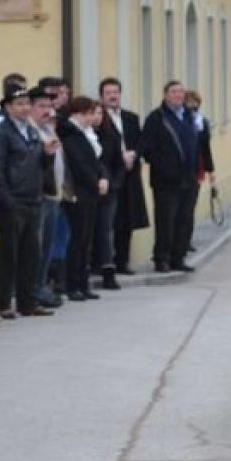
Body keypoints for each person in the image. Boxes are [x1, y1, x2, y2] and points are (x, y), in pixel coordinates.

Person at [0, 86, 54, 316]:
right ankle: (4, 303)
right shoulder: (2, 131)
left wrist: (48, 155)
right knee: (9, 253)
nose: (25, 108)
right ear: (8, 107)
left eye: (27, 103)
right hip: (13, 199)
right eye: (19, 104)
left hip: (33, 198)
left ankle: (28, 301)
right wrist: (5, 198)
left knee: (31, 253)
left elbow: (40, 165)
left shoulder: (32, 130)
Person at [141, 81, 199, 274]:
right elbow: (147, 149)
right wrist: (165, 168)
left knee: (185, 219)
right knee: (166, 221)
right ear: (165, 95)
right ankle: (162, 259)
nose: (178, 95)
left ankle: (178, 257)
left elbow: (197, 144)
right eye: (173, 92)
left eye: (181, 92)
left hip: (189, 178)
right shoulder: (156, 118)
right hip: (166, 181)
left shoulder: (190, 116)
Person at [99, 78, 149, 275]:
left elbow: (141, 142)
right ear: (102, 97)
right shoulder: (98, 118)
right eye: (108, 93)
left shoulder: (131, 118)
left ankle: (122, 261)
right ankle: (102, 262)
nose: (113, 96)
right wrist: (120, 157)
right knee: (106, 220)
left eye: (116, 92)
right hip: (109, 174)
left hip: (130, 174)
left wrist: (134, 154)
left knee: (127, 219)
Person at [58, 97, 106, 300]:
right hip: (78, 192)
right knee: (78, 240)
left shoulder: (84, 133)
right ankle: (73, 285)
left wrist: (103, 177)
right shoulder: (70, 133)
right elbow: (79, 164)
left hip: (90, 192)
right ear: (78, 114)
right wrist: (96, 181)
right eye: (89, 114)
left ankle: (83, 284)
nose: (92, 118)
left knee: (86, 240)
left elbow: (95, 160)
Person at [31, 88, 67, 308]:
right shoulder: (32, 131)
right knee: (37, 246)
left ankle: (41, 285)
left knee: (47, 245)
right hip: (40, 195)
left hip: (54, 194)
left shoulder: (49, 130)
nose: (47, 111)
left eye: (49, 106)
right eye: (41, 106)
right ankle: (34, 289)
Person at [90, 96, 127, 289]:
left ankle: (108, 270)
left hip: (109, 191)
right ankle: (88, 267)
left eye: (99, 113)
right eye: (92, 113)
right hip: (88, 189)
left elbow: (119, 164)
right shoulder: (82, 135)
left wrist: (115, 184)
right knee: (87, 231)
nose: (96, 117)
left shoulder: (112, 135)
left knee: (105, 230)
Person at [181, 91, 216, 256]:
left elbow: (206, 148)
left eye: (195, 102)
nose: (192, 105)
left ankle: (187, 240)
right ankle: (179, 241)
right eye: (189, 102)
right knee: (182, 209)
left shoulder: (202, 122)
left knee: (190, 207)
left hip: (198, 167)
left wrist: (211, 170)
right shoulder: (182, 121)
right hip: (183, 168)